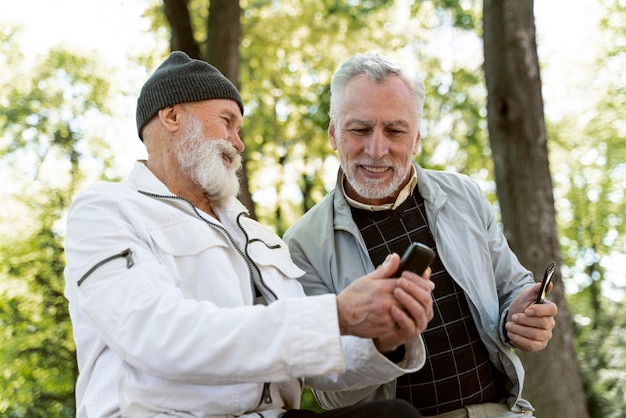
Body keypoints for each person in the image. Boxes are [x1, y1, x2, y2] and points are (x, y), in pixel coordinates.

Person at [63, 51, 435, 417]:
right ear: (172, 115)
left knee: (393, 414)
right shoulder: (106, 209)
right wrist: (337, 312)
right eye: (226, 121)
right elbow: (156, 334)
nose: (238, 143)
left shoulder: (259, 237)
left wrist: (381, 338)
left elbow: (306, 355)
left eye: (238, 129)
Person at [283, 52, 558, 418]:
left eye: (395, 131)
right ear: (334, 134)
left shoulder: (464, 195)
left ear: (416, 139)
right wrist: (385, 344)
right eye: (359, 129)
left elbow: (511, 287)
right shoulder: (301, 245)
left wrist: (519, 317)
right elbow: (330, 395)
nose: (376, 150)